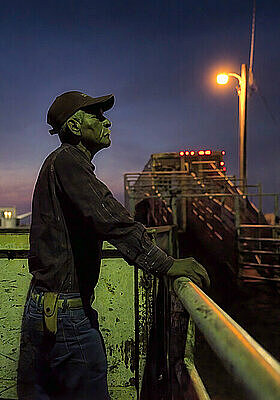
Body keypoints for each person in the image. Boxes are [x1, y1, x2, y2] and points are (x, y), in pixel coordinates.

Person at [17, 91, 210, 399]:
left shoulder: (57, 164)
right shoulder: (69, 161)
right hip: (67, 316)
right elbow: (108, 215)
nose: (107, 122)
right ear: (77, 127)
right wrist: (166, 264)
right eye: (97, 116)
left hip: (45, 309)